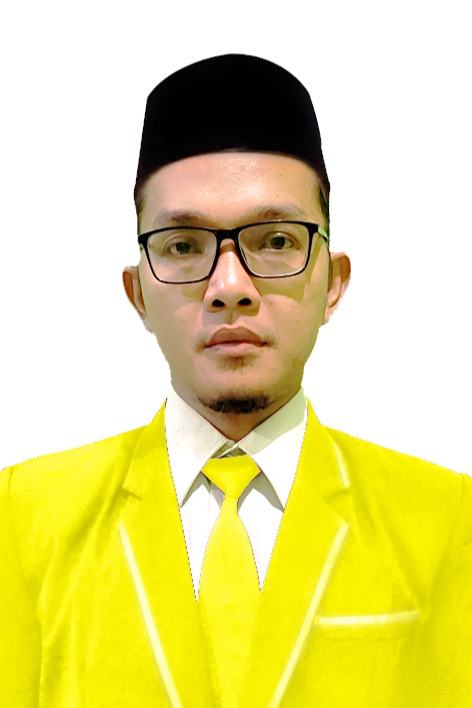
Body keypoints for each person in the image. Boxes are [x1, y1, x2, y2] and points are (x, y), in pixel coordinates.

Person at [1, 54, 471, 708]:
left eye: (275, 241)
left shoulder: (448, 520)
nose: (229, 287)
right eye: (183, 245)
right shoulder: (21, 518)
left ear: (333, 283)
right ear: (138, 295)